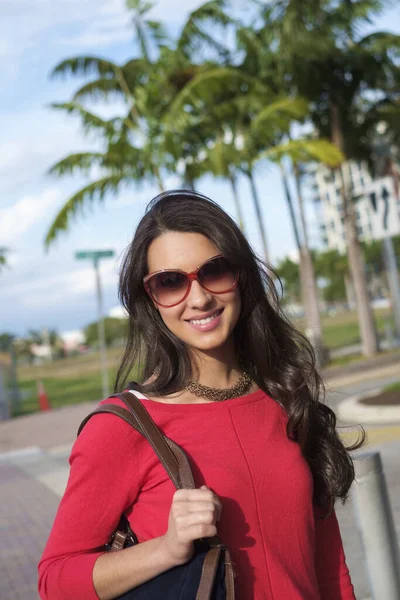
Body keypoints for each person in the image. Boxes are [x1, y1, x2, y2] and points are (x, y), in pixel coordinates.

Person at [38, 190, 363, 600]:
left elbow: (330, 568)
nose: (199, 297)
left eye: (214, 271)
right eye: (170, 282)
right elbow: (56, 580)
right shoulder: (124, 428)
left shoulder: (286, 399)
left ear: (241, 276)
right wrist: (166, 548)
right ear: (150, 299)